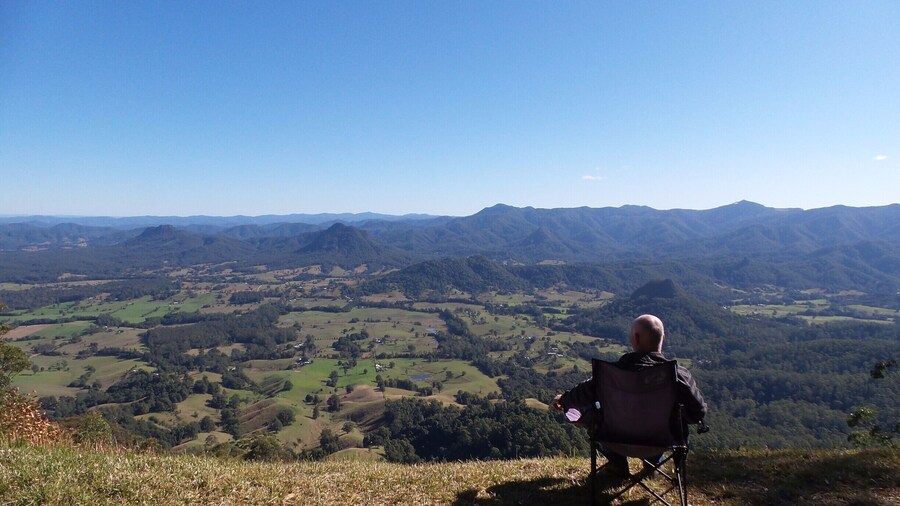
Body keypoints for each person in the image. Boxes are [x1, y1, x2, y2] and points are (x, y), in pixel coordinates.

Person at [552, 314, 707, 476]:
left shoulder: (612, 374)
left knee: (593, 413)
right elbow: (698, 412)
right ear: (663, 338)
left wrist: (563, 399)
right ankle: (652, 466)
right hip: (660, 442)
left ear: (636, 338)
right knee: (674, 419)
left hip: (614, 439)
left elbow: (581, 395)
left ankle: (618, 465)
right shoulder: (677, 375)